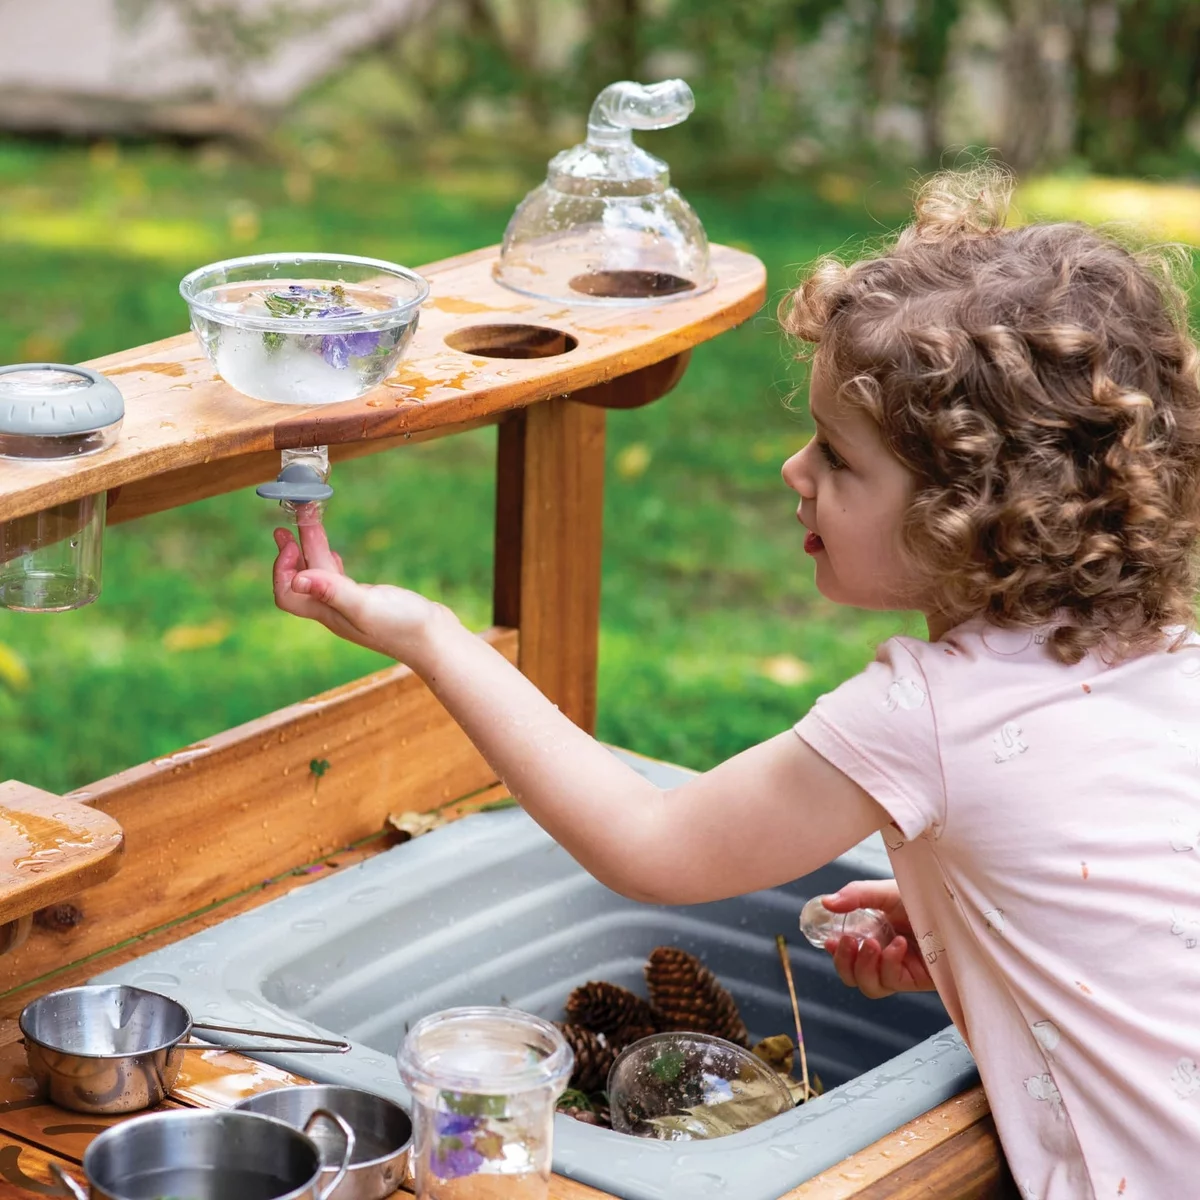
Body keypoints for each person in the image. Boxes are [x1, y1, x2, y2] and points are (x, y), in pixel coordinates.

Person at [271, 164, 1200, 1199]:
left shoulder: (924, 713)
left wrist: (436, 639)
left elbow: (650, 845)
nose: (793, 472)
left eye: (839, 459)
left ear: (971, 515)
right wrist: (965, 915)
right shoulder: (1162, 652)